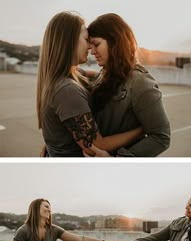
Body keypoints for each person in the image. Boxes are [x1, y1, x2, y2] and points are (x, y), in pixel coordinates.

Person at [36, 11, 142, 157]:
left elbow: (97, 76)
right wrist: (142, 130)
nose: (90, 48)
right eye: (87, 40)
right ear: (69, 41)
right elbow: (96, 145)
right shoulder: (67, 90)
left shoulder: (71, 75)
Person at [85, 13, 170, 157]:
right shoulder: (103, 74)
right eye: (90, 46)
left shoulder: (140, 82)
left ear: (115, 42)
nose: (92, 52)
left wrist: (116, 161)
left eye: (97, 44)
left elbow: (161, 137)